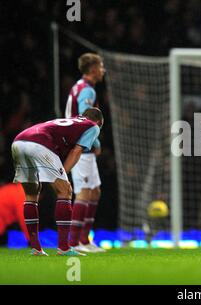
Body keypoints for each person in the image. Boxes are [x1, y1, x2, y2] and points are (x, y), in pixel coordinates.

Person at [11, 107, 104, 256]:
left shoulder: (72, 121)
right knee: (65, 190)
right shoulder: (93, 126)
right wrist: (63, 176)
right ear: (99, 122)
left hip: (18, 141)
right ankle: (64, 248)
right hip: (39, 142)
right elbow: (76, 151)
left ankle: (36, 249)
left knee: (31, 194)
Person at [64, 53, 106, 253]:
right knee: (84, 192)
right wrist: (95, 140)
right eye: (101, 66)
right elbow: (86, 118)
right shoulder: (86, 90)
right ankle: (74, 242)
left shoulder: (81, 87)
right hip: (81, 146)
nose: (103, 70)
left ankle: (84, 240)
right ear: (92, 69)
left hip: (82, 145)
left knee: (95, 191)